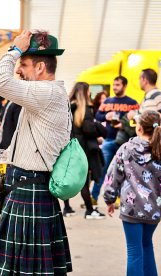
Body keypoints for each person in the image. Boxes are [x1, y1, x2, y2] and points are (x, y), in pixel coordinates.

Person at [0, 30, 72, 275]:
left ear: (41, 67)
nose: (18, 69)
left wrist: (15, 49)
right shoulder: (45, 95)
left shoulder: (47, 93)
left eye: (23, 64)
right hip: (25, 186)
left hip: (31, 188)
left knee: (25, 271)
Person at [103, 110, 161, 276]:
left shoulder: (126, 148)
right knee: (147, 245)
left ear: (138, 128)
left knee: (134, 251)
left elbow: (113, 175)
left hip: (130, 210)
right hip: (154, 211)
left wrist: (109, 199)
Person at [93, 76, 139, 205]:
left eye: (117, 85)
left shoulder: (132, 102)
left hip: (125, 142)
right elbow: (97, 115)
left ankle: (120, 199)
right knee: (103, 170)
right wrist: (105, 116)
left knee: (124, 172)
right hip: (108, 140)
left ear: (124, 86)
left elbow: (138, 119)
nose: (114, 87)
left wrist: (125, 124)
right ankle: (94, 197)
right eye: (114, 84)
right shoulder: (107, 101)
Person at [67, 82, 106, 219]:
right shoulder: (84, 108)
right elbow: (88, 128)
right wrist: (100, 128)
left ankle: (66, 208)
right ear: (85, 92)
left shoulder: (68, 106)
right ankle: (89, 210)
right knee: (84, 180)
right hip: (82, 149)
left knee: (68, 177)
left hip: (69, 147)